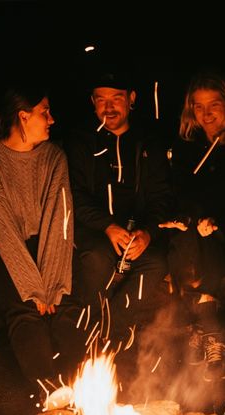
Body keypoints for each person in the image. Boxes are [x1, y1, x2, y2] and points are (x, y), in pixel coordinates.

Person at [160, 70, 225, 381]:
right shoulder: (186, 145)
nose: (205, 114)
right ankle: (205, 330)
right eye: (198, 106)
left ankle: (208, 331)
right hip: (198, 231)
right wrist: (186, 219)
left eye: (213, 105)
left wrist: (216, 221)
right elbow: (181, 191)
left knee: (202, 240)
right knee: (185, 237)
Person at [0, 84, 75, 393]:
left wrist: (53, 281)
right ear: (23, 116)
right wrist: (34, 288)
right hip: (4, 251)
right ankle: (46, 390)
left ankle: (80, 386)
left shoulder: (54, 157)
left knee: (66, 303)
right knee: (23, 308)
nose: (52, 119)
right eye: (45, 112)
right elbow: (2, 227)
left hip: (49, 245)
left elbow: (61, 220)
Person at [64, 69, 173, 340]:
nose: (109, 107)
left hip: (137, 232)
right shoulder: (80, 142)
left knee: (157, 263)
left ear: (131, 98)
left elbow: (162, 196)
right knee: (97, 260)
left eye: (116, 98)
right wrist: (107, 227)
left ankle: (110, 334)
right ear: (92, 101)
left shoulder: (149, 142)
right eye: (101, 99)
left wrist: (148, 233)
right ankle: (86, 333)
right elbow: (72, 195)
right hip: (95, 232)